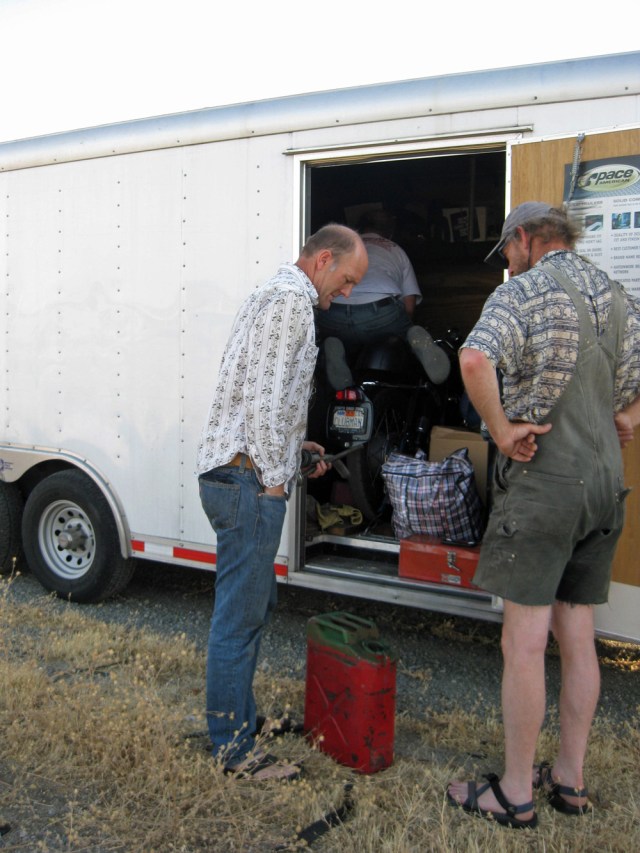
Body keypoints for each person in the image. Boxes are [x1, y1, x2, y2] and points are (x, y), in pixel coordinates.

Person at [447, 202, 640, 828]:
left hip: (546, 484)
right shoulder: (615, 295)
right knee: (578, 637)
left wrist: (501, 432)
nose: (508, 261)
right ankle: (570, 781)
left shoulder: (523, 292)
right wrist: (626, 421)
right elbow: (632, 391)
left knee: (524, 643)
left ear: (525, 239)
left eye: (507, 250)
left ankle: (514, 794)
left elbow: (474, 360)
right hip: (605, 486)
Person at [196, 224, 368, 781]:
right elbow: (266, 404)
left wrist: (296, 449)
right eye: (346, 280)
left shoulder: (272, 295)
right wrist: (275, 481)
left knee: (251, 608)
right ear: (322, 259)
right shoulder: (290, 304)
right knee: (239, 621)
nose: (346, 293)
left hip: (241, 472)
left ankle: (237, 722)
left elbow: (258, 398)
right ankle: (232, 750)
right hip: (247, 482)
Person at [315, 209, 450, 389]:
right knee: (406, 332)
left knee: (328, 336)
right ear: (389, 232)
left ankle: (332, 346)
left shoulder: (339, 249)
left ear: (357, 229)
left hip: (335, 311)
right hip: (380, 312)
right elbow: (409, 307)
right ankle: (413, 338)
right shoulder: (395, 250)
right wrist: (404, 328)